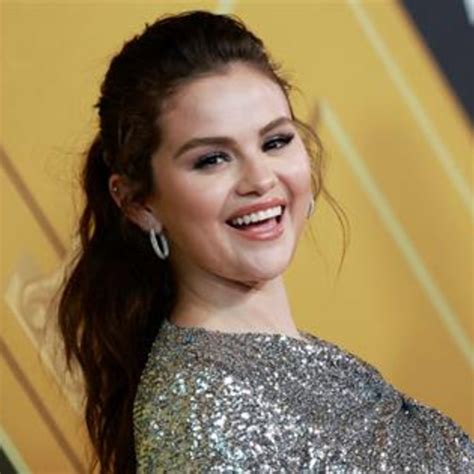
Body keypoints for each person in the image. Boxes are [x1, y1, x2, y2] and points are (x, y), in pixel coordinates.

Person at [56, 10, 474, 474]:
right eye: (212, 159)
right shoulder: (204, 417)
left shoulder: (308, 365)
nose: (260, 179)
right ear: (138, 203)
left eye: (275, 142)